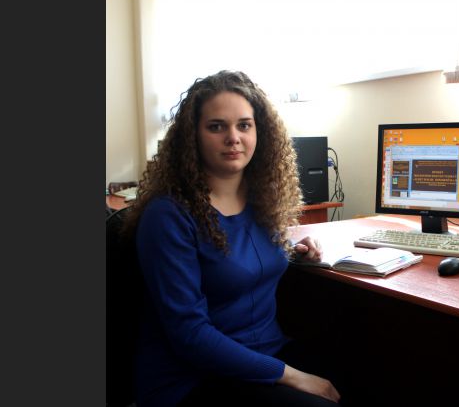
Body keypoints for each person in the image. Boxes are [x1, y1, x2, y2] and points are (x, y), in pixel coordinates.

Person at [121, 71, 343, 407]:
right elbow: (190, 334)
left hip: (264, 352)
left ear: (259, 131)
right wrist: (294, 376)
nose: (233, 137)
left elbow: (237, 258)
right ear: (193, 137)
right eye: (216, 126)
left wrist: (292, 252)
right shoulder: (168, 215)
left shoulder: (262, 200)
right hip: (192, 377)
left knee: (371, 375)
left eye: (244, 125)